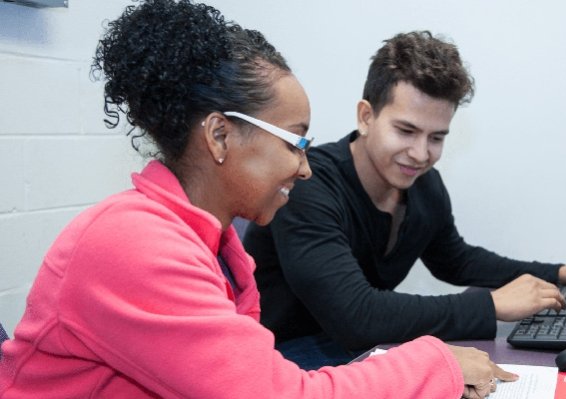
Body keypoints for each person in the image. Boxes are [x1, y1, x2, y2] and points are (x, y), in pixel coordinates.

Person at [0, 1, 517, 398]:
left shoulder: (207, 238)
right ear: (221, 136)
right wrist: (439, 363)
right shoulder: (133, 242)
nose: (305, 165)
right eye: (295, 142)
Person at [243, 30, 566, 370]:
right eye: (406, 131)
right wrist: (491, 305)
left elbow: (454, 259)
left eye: (436, 138)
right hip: (285, 357)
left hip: (359, 348)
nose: (420, 154)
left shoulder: (424, 184)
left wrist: (557, 274)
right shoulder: (309, 186)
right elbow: (356, 315)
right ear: (366, 116)